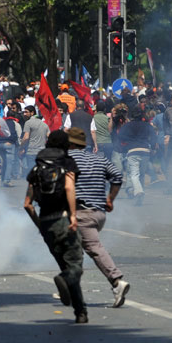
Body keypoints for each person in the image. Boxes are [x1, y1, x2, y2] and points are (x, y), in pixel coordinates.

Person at [23, 130, 87, 323]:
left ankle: (80, 312)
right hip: (63, 219)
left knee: (65, 264)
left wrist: (40, 225)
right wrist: (73, 216)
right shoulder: (66, 163)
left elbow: (27, 204)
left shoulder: (37, 168)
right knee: (74, 266)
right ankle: (68, 284)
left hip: (46, 221)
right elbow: (69, 187)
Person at [67, 127, 130, 308]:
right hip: (98, 213)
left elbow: (65, 187)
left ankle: (117, 281)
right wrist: (110, 199)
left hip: (81, 213)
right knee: (74, 249)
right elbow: (117, 176)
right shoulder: (99, 158)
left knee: (93, 247)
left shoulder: (68, 160)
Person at [118, 108, 157, 205]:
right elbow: (154, 136)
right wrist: (152, 147)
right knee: (142, 174)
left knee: (134, 174)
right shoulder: (147, 125)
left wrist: (127, 142)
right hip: (145, 151)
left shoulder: (127, 126)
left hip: (132, 151)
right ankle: (140, 197)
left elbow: (120, 137)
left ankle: (139, 192)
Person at [20, 106, 49, 175]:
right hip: (42, 152)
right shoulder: (44, 124)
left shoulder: (28, 123)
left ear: (32, 113)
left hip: (31, 152)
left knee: (32, 172)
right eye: (24, 112)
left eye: (26, 112)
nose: (24, 114)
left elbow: (26, 137)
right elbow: (49, 136)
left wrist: (21, 146)